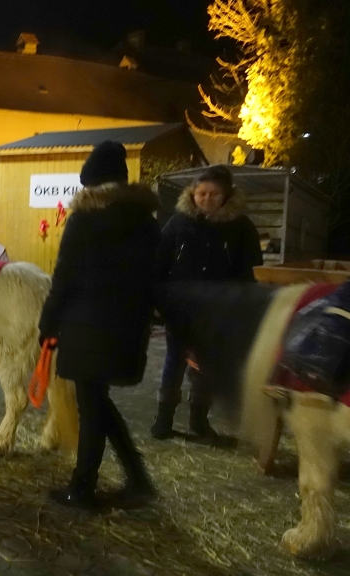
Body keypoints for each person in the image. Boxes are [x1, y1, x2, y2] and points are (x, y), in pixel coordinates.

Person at [38, 141, 160, 509]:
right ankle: (138, 479)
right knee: (98, 402)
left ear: (91, 182)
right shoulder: (146, 221)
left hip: (86, 325)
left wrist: (48, 322)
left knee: (91, 408)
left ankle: (83, 488)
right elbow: (155, 276)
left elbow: (64, 276)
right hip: (128, 326)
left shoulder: (84, 219)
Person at [151, 165, 263, 441]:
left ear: (226, 195)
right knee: (174, 362)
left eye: (214, 194)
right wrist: (159, 300)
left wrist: (239, 306)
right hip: (180, 308)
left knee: (205, 367)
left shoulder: (241, 227)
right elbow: (158, 263)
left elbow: (248, 272)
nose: (207, 199)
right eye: (201, 193)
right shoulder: (178, 223)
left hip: (217, 311)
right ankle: (163, 419)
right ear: (192, 193)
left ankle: (198, 421)